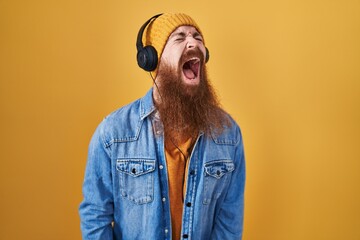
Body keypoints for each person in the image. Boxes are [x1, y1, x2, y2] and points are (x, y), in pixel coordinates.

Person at [79, 13, 246, 240]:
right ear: (152, 59)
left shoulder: (228, 134)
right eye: (179, 38)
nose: (193, 43)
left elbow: (229, 222)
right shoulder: (113, 133)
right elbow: (95, 216)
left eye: (198, 37)